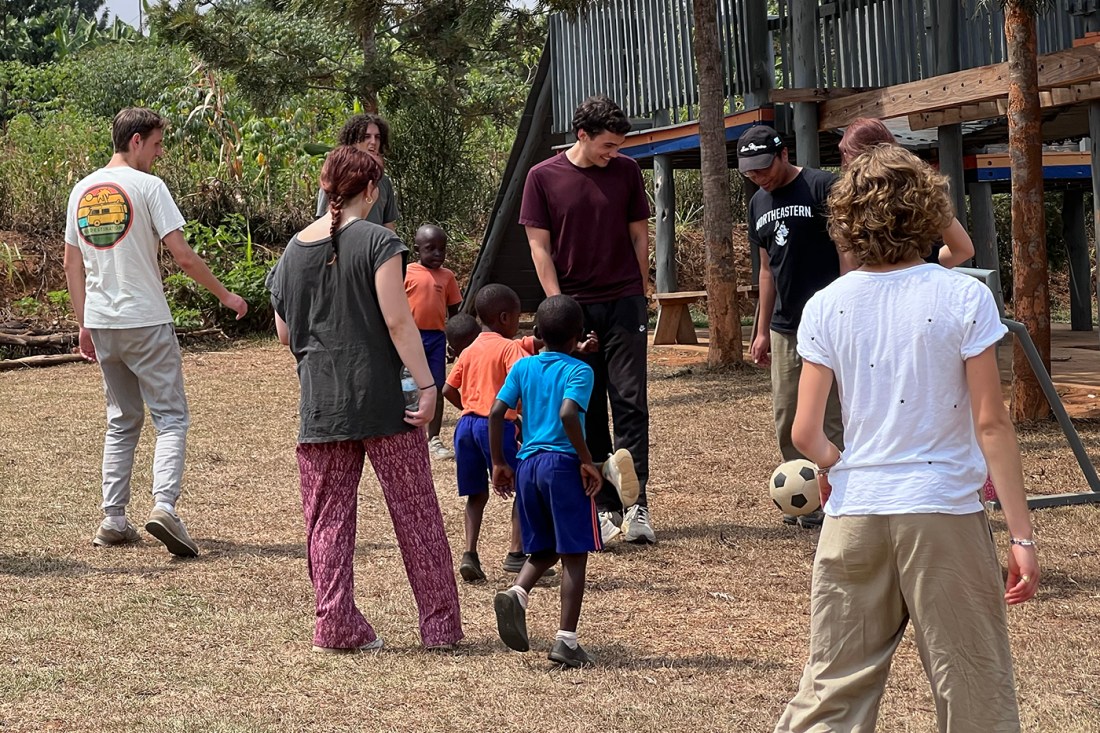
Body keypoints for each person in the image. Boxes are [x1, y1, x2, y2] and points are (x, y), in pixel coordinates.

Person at [774, 145, 1039, 732]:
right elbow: (991, 423)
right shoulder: (964, 295)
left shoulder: (825, 306)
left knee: (832, 692)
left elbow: (805, 431)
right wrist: (1021, 535)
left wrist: (835, 463)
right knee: (973, 686)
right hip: (942, 511)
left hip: (854, 517)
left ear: (846, 218)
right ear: (926, 211)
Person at [267, 145, 463, 653]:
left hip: (321, 407)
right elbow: (399, 321)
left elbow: (285, 335)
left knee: (327, 519)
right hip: (385, 403)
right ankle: (439, 628)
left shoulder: (291, 252)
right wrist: (427, 385)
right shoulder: (380, 241)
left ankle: (336, 625)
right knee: (416, 514)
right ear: (371, 190)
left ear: (327, 186)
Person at [63, 107, 249, 557]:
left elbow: (72, 264)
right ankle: (164, 506)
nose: (159, 153)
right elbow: (182, 256)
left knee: (122, 419)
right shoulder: (149, 187)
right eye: (158, 144)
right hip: (145, 318)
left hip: (104, 323)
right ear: (137, 141)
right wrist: (228, 297)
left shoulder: (82, 190)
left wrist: (84, 321)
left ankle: (113, 518)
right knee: (171, 417)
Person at [520, 94, 652, 545]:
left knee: (631, 399)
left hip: (624, 302)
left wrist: (640, 288)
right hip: (575, 306)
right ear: (582, 135)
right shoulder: (542, 177)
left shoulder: (627, 172)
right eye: (608, 146)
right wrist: (561, 310)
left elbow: (639, 234)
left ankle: (637, 504)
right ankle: (605, 506)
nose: (614, 154)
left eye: (618, 146)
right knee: (588, 404)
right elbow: (539, 247)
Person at [739, 124, 853, 529]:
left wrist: (845, 305)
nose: (760, 177)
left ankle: (836, 491)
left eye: (764, 168)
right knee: (787, 411)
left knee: (832, 412)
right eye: (751, 173)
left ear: (783, 154)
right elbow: (767, 268)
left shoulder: (823, 186)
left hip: (828, 322)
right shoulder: (757, 203)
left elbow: (846, 251)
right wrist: (761, 328)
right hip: (787, 326)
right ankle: (798, 492)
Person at [489, 294, 603, 668]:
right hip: (562, 466)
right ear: (578, 335)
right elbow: (569, 413)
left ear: (536, 332)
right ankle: (566, 641)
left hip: (527, 466)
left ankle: (518, 592)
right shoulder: (580, 371)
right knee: (574, 554)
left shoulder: (524, 368)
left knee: (546, 546)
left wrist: (499, 463)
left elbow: (495, 412)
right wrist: (587, 462)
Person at [442, 284, 535, 581]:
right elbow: (523, 383)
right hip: (497, 426)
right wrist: (521, 414)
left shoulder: (469, 349)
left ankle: (470, 553)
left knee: (476, 494)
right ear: (505, 317)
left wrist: (469, 406)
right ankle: (516, 553)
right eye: (517, 318)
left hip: (466, 428)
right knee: (523, 484)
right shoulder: (510, 348)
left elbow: (447, 388)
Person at [838, 117, 975, 268]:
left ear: (848, 154)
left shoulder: (850, 196)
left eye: (844, 152)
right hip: (922, 280)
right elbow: (963, 249)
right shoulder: (918, 183)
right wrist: (926, 269)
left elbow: (850, 267)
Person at [404, 223, 463, 459]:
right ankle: (407, 436)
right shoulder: (405, 273)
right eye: (431, 249)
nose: (438, 254)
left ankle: (433, 438)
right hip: (410, 338)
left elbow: (455, 313)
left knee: (436, 388)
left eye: (442, 249)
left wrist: (454, 342)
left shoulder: (447, 277)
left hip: (436, 339)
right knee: (407, 387)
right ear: (418, 249)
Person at [315, 113, 400, 230]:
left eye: (377, 137)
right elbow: (321, 224)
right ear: (352, 141)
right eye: (366, 136)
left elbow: (389, 226)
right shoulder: (335, 178)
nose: (373, 142)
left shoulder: (384, 182)